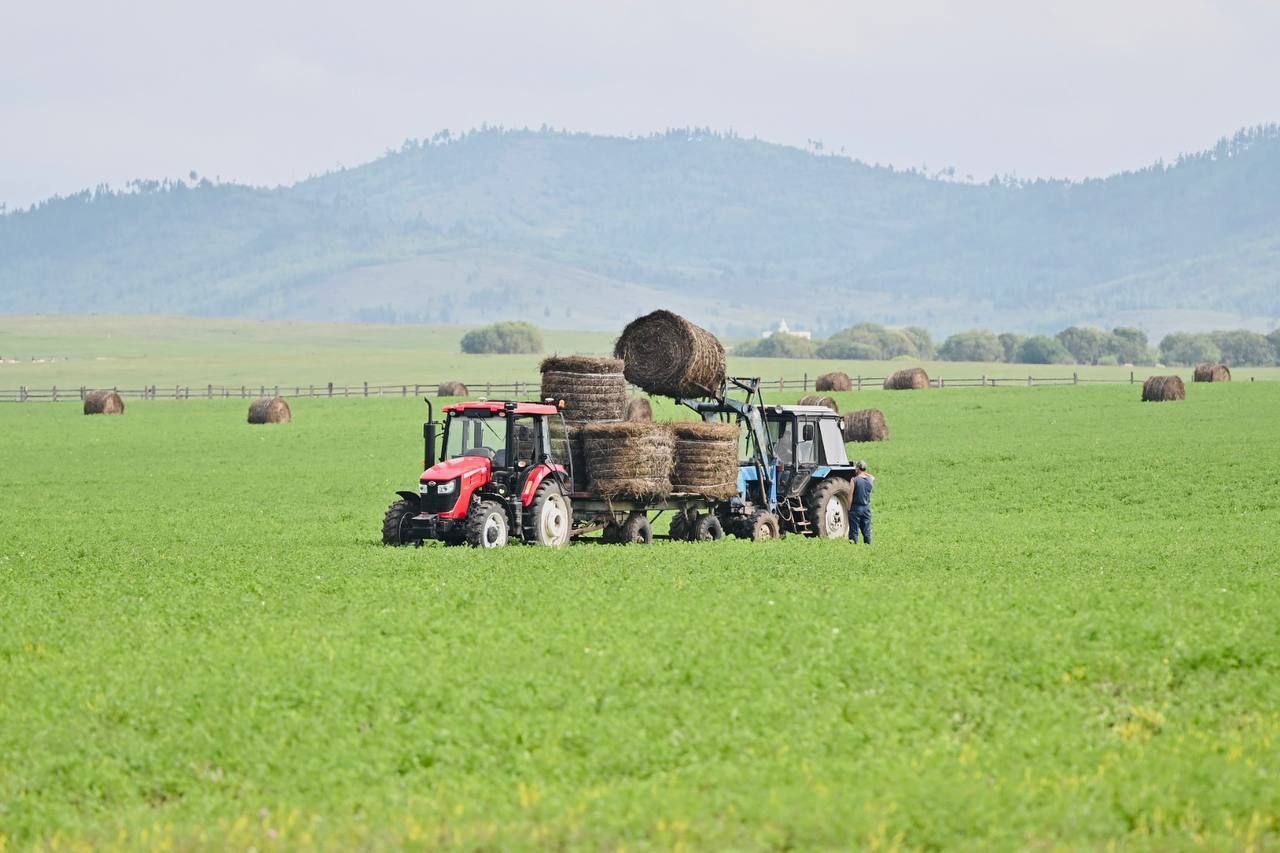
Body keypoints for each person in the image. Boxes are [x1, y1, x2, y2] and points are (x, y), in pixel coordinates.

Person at [848, 460, 874, 544]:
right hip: (867, 508)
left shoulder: (854, 480)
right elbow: (872, 477)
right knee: (867, 530)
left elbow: (850, 495)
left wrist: (849, 508)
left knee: (854, 531)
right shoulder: (870, 480)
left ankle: (853, 547)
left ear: (858, 469)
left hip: (856, 508)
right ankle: (868, 546)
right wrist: (864, 473)